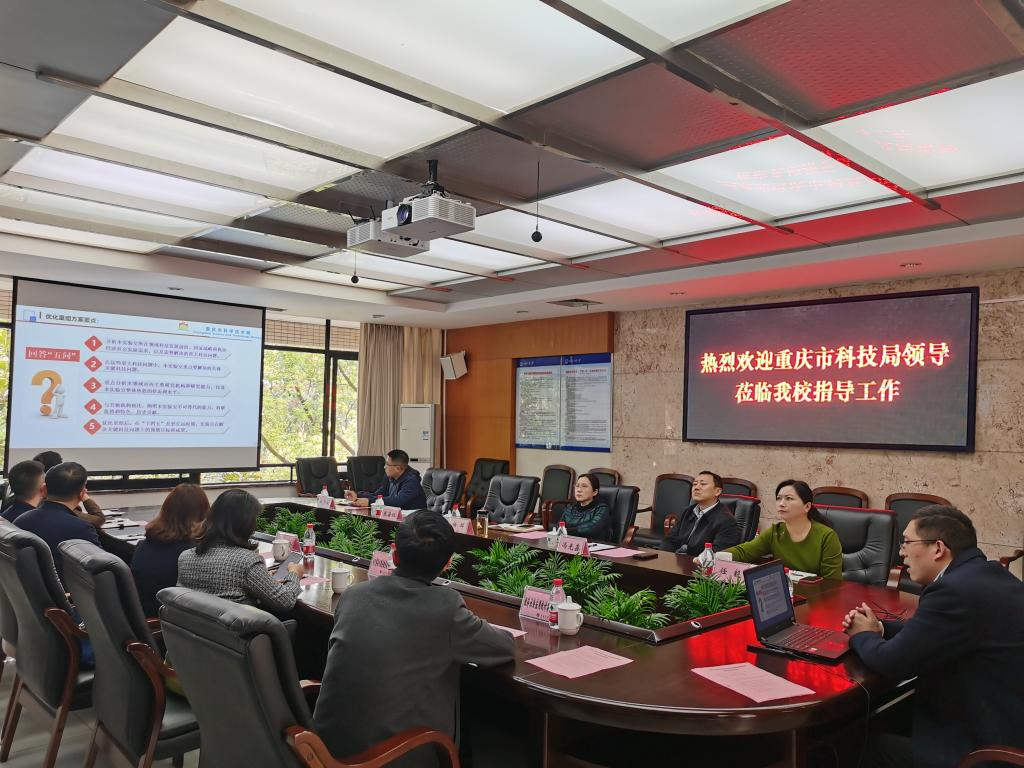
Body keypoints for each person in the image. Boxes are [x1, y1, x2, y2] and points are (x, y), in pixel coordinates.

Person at [314, 511, 514, 767]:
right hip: (388, 758)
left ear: (394, 554)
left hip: (323, 751)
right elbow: (504, 647)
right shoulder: (446, 607)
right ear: (448, 563)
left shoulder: (353, 595)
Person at [843, 506, 1024, 768]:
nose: (901, 552)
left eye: (907, 542)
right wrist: (880, 629)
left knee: (852, 743)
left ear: (938, 548)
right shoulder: (986, 575)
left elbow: (892, 662)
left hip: (981, 749)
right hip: (1002, 720)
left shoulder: (953, 590)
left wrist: (862, 635)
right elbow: (936, 632)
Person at [177, 489, 302, 614]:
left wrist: (263, 579)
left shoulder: (185, 557)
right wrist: (294, 574)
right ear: (246, 524)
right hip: (240, 626)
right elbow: (285, 602)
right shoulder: (247, 561)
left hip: (197, 625)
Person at [723, 479, 842, 579]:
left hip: (817, 595)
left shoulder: (827, 536)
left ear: (807, 506)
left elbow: (832, 582)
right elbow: (743, 552)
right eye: (778, 498)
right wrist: (715, 556)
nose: (781, 504)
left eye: (789, 498)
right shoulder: (775, 532)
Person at [131, 483, 210, 617]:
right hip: (167, 622)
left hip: (143, 617)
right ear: (203, 514)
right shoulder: (191, 553)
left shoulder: (143, 545)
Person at [15, 461, 100, 579]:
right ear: (82, 494)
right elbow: (102, 568)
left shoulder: (20, 520)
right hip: (66, 589)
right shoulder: (81, 528)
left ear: (44, 489)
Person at [660, 470, 742, 555]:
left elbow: (717, 553)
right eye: (695, 484)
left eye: (703, 484)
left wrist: (686, 550)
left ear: (717, 491)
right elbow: (669, 540)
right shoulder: (688, 511)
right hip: (677, 560)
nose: (696, 487)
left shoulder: (727, 521)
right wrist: (664, 556)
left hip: (698, 562)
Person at [344, 449, 427, 510]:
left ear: (398, 468)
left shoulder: (412, 480)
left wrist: (369, 501)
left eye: (387, 464)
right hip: (397, 515)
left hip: (415, 518)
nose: (384, 467)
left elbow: (398, 500)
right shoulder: (389, 477)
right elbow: (378, 495)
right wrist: (357, 494)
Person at [558, 473, 612, 542]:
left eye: (584, 486)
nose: (579, 490)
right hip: (570, 544)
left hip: (594, 545)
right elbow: (560, 527)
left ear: (595, 492)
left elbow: (591, 529)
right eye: (577, 486)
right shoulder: (570, 508)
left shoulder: (602, 509)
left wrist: (566, 531)